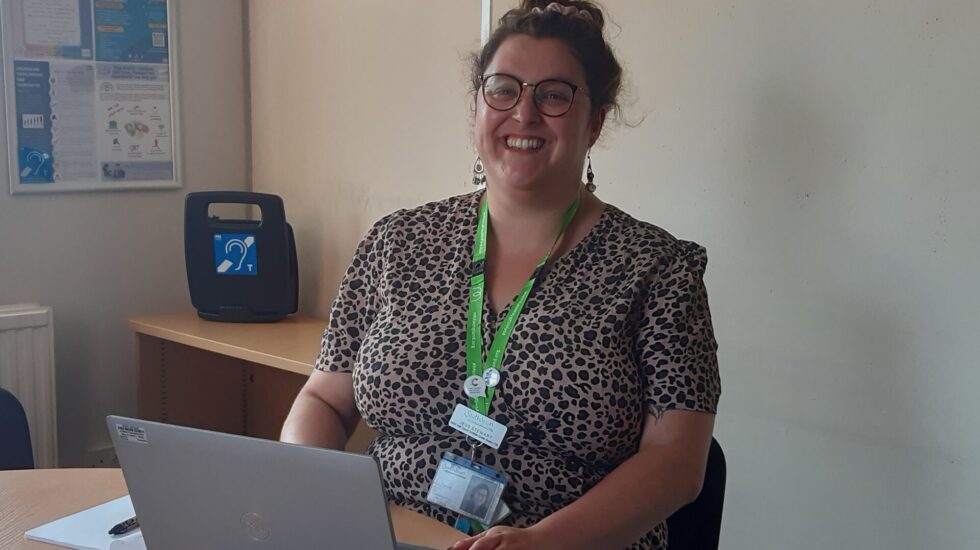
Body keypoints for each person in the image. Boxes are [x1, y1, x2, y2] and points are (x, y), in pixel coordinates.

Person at [281, 2, 721, 549]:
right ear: (477, 106)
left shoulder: (660, 270)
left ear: (597, 120)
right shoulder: (395, 243)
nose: (524, 114)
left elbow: (677, 463)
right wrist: (312, 488)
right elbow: (322, 401)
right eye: (503, 89)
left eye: (554, 94)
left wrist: (542, 543)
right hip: (387, 533)